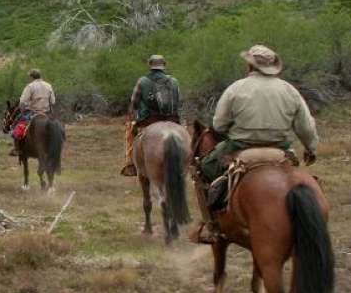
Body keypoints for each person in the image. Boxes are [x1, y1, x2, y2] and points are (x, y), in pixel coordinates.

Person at [191, 44, 319, 243]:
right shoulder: (289, 90)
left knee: (203, 168)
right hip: (280, 150)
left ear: (250, 66)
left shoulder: (236, 88)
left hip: (240, 147)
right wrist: (311, 148)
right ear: (273, 67)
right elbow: (306, 127)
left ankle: (212, 225)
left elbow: (219, 124)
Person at [121, 54, 182, 177]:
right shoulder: (174, 81)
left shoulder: (142, 81)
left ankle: (130, 164)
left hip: (148, 121)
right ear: (164, 65)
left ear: (150, 65)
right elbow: (179, 102)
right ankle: (187, 161)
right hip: (172, 121)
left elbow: (134, 103)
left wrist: (132, 116)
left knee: (129, 132)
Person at [11, 69, 55, 155]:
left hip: (33, 112)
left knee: (16, 126)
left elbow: (23, 101)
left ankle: (17, 148)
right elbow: (53, 101)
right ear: (40, 76)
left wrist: (22, 109)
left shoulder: (30, 86)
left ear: (31, 77)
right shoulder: (48, 85)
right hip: (46, 112)